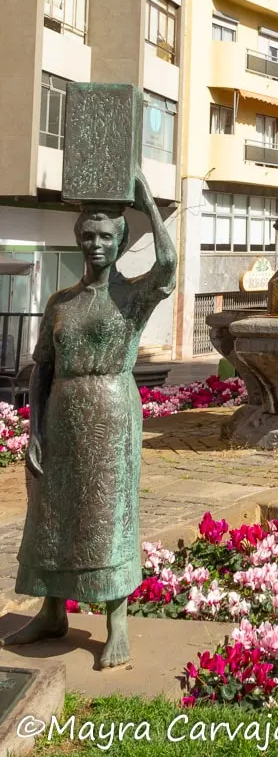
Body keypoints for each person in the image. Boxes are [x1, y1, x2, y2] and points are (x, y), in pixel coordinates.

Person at [3, 170, 177, 669]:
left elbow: (168, 263)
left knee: (107, 512)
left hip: (110, 413)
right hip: (61, 414)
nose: (95, 244)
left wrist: (144, 195)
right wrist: (33, 429)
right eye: (88, 236)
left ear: (120, 243)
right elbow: (42, 369)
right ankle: (51, 610)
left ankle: (116, 620)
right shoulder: (61, 303)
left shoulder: (132, 296)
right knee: (51, 514)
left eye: (106, 237)